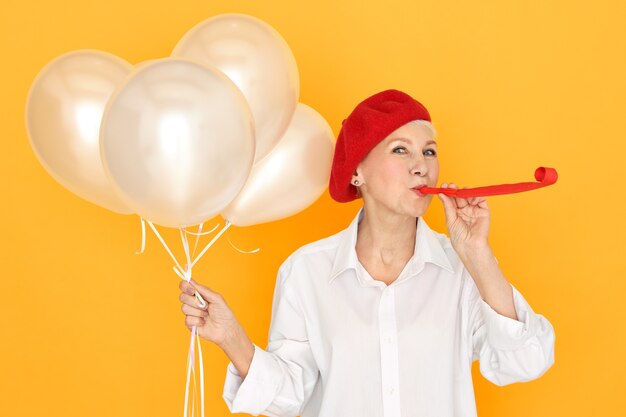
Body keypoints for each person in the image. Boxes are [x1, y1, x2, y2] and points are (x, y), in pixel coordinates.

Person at [178, 89, 556, 417]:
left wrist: (477, 253)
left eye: (428, 151)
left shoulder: (462, 269)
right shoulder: (306, 271)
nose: (421, 166)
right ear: (357, 170)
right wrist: (231, 337)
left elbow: (526, 361)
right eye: (400, 150)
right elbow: (291, 394)